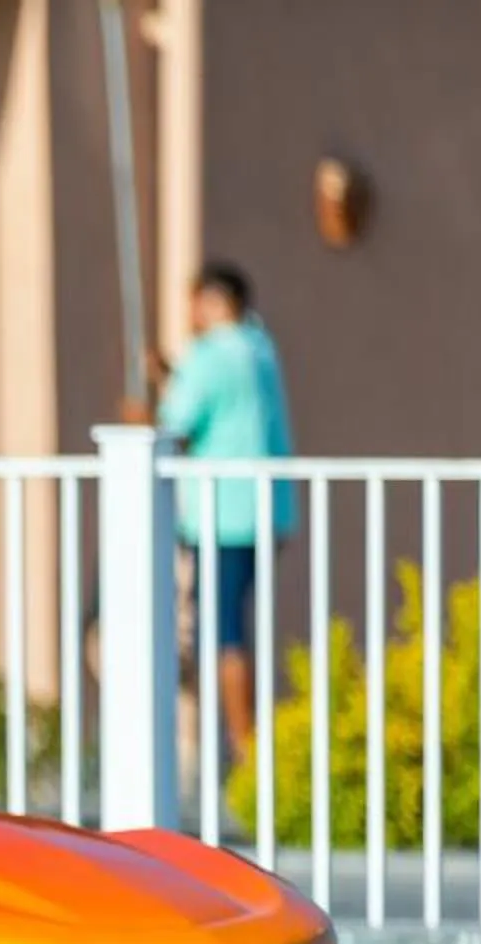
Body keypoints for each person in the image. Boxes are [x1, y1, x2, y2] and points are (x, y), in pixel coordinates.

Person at [149, 260, 298, 766]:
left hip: (220, 516)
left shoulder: (210, 355)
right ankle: (244, 745)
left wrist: (142, 411)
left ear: (213, 302)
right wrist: (171, 377)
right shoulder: (260, 346)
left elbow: (174, 427)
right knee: (225, 625)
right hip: (264, 511)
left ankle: (246, 750)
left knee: (222, 631)